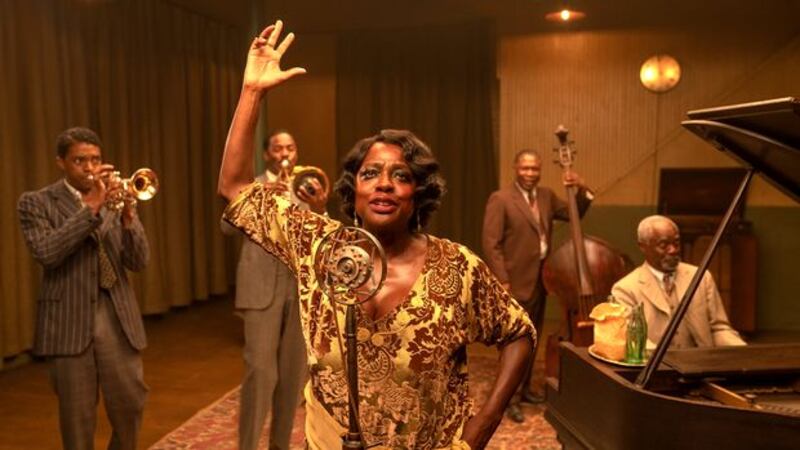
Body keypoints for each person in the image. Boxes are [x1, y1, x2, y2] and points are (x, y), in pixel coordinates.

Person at [218, 20, 535, 450]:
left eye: (400, 176)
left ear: (418, 192)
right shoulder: (319, 246)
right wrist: (253, 93)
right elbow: (235, 187)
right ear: (355, 190)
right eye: (370, 174)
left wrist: (484, 423)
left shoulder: (457, 267)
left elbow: (519, 332)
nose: (383, 183)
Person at [17, 127, 150, 450]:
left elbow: (139, 260)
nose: (90, 168)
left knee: (131, 406)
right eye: (80, 161)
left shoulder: (115, 198)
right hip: (68, 320)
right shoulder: (35, 203)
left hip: (117, 318)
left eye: (95, 159)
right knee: (77, 421)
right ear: (61, 162)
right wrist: (89, 208)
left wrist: (129, 217)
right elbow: (48, 252)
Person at [220, 129, 328, 450]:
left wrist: (321, 208)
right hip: (260, 287)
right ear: (267, 154)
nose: (285, 153)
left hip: (299, 287)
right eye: (278, 148)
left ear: (296, 153)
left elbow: (323, 235)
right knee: (260, 372)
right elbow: (226, 227)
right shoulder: (252, 186)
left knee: (293, 376)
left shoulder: (309, 185)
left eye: (291, 148)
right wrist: (262, 196)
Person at [481, 149, 592, 422]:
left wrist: (581, 187)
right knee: (515, 344)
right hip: (514, 284)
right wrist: (503, 280)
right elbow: (490, 243)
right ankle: (510, 400)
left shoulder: (547, 196)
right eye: (525, 168)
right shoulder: (501, 199)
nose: (530, 173)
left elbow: (574, 214)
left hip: (542, 281)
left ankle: (527, 390)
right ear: (515, 168)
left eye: (534, 169)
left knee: (532, 339)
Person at [611, 215, 746, 348]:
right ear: (643, 247)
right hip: (656, 367)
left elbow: (719, 329)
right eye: (663, 245)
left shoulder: (701, 277)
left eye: (676, 243)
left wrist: (743, 352)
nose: (673, 250)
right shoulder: (625, 289)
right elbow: (635, 341)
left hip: (701, 364)